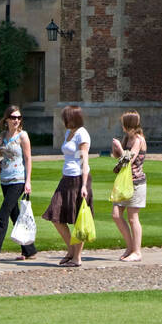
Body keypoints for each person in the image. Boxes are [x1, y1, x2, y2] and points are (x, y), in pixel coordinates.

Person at [0, 106, 37, 263]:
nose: (16, 120)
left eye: (18, 117)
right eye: (13, 117)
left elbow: (28, 159)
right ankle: (29, 249)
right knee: (14, 215)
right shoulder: (3, 135)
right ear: (6, 119)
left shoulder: (23, 136)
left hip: (18, 180)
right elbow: (3, 156)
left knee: (3, 215)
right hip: (4, 179)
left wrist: (28, 181)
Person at [42, 104, 92, 266]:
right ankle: (71, 250)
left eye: (67, 117)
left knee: (79, 218)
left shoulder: (81, 134)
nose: (65, 120)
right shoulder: (68, 133)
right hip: (67, 178)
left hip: (78, 179)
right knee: (55, 215)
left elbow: (84, 161)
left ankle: (77, 257)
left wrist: (84, 185)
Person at [111, 111, 147, 261]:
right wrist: (115, 150)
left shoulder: (138, 140)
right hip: (124, 182)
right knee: (116, 215)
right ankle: (130, 246)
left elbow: (128, 160)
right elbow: (118, 158)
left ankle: (137, 252)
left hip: (136, 183)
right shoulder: (127, 138)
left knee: (133, 218)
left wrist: (119, 148)